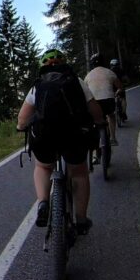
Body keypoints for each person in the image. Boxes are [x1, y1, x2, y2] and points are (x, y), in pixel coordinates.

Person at [17, 49, 105, 235]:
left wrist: (20, 127)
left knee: (43, 167)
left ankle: (43, 203)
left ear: (43, 66)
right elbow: (95, 110)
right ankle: (81, 219)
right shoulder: (77, 82)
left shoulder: (37, 85)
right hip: (73, 134)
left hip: (45, 136)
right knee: (79, 171)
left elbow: (23, 119)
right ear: (64, 64)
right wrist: (100, 122)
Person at [84, 53, 123, 146]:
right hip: (108, 100)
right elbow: (120, 87)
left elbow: (85, 91)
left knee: (94, 122)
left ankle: (94, 150)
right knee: (111, 115)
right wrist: (117, 92)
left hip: (94, 102)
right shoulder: (110, 72)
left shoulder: (88, 75)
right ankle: (113, 138)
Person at [109, 58, 127, 123]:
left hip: (112, 88)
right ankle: (124, 113)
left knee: (112, 99)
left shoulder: (109, 71)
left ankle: (114, 110)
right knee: (123, 99)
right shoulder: (121, 70)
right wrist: (126, 83)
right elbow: (125, 78)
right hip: (120, 87)